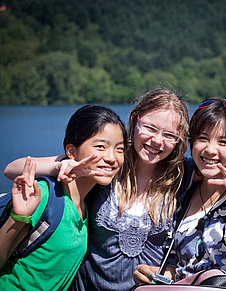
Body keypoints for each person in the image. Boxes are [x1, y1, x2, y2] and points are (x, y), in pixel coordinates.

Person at [3, 89, 191, 290]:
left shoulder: (180, 174)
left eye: (170, 135)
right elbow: (13, 169)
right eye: (150, 128)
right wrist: (60, 166)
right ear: (135, 121)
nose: (157, 140)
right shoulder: (107, 164)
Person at [133, 99, 226, 287]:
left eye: (223, 142)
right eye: (203, 139)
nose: (210, 150)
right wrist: (155, 275)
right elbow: (180, 268)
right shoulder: (183, 195)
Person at [0, 105, 126, 290]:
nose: (111, 158)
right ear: (71, 151)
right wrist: (18, 218)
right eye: (101, 146)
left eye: (120, 149)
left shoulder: (88, 202)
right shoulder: (44, 196)